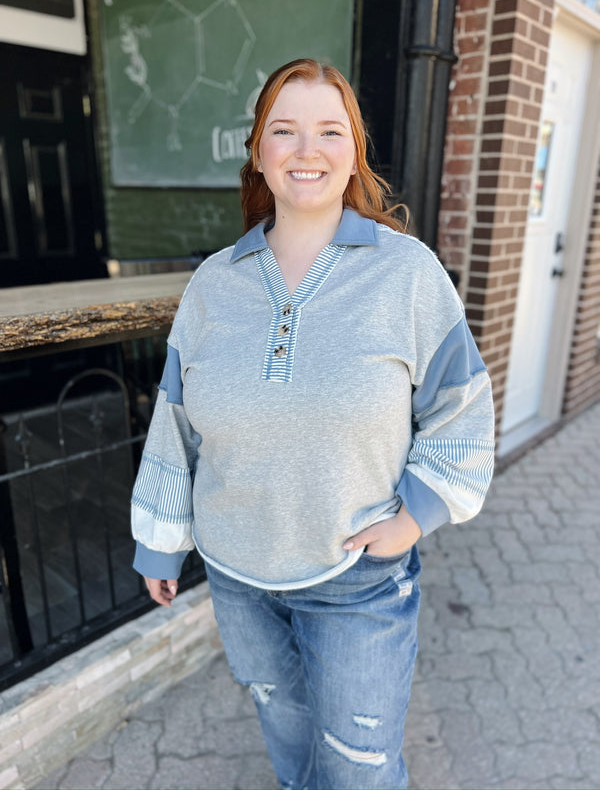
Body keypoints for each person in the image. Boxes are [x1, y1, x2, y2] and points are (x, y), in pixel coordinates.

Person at [131, 58, 495, 790]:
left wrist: (417, 514)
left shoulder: (407, 275)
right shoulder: (213, 285)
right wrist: (160, 544)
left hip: (356, 576)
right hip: (237, 574)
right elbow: (176, 422)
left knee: (360, 771)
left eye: (330, 131)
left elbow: (463, 404)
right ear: (259, 153)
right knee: (293, 752)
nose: (307, 150)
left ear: (353, 152)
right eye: (284, 130)